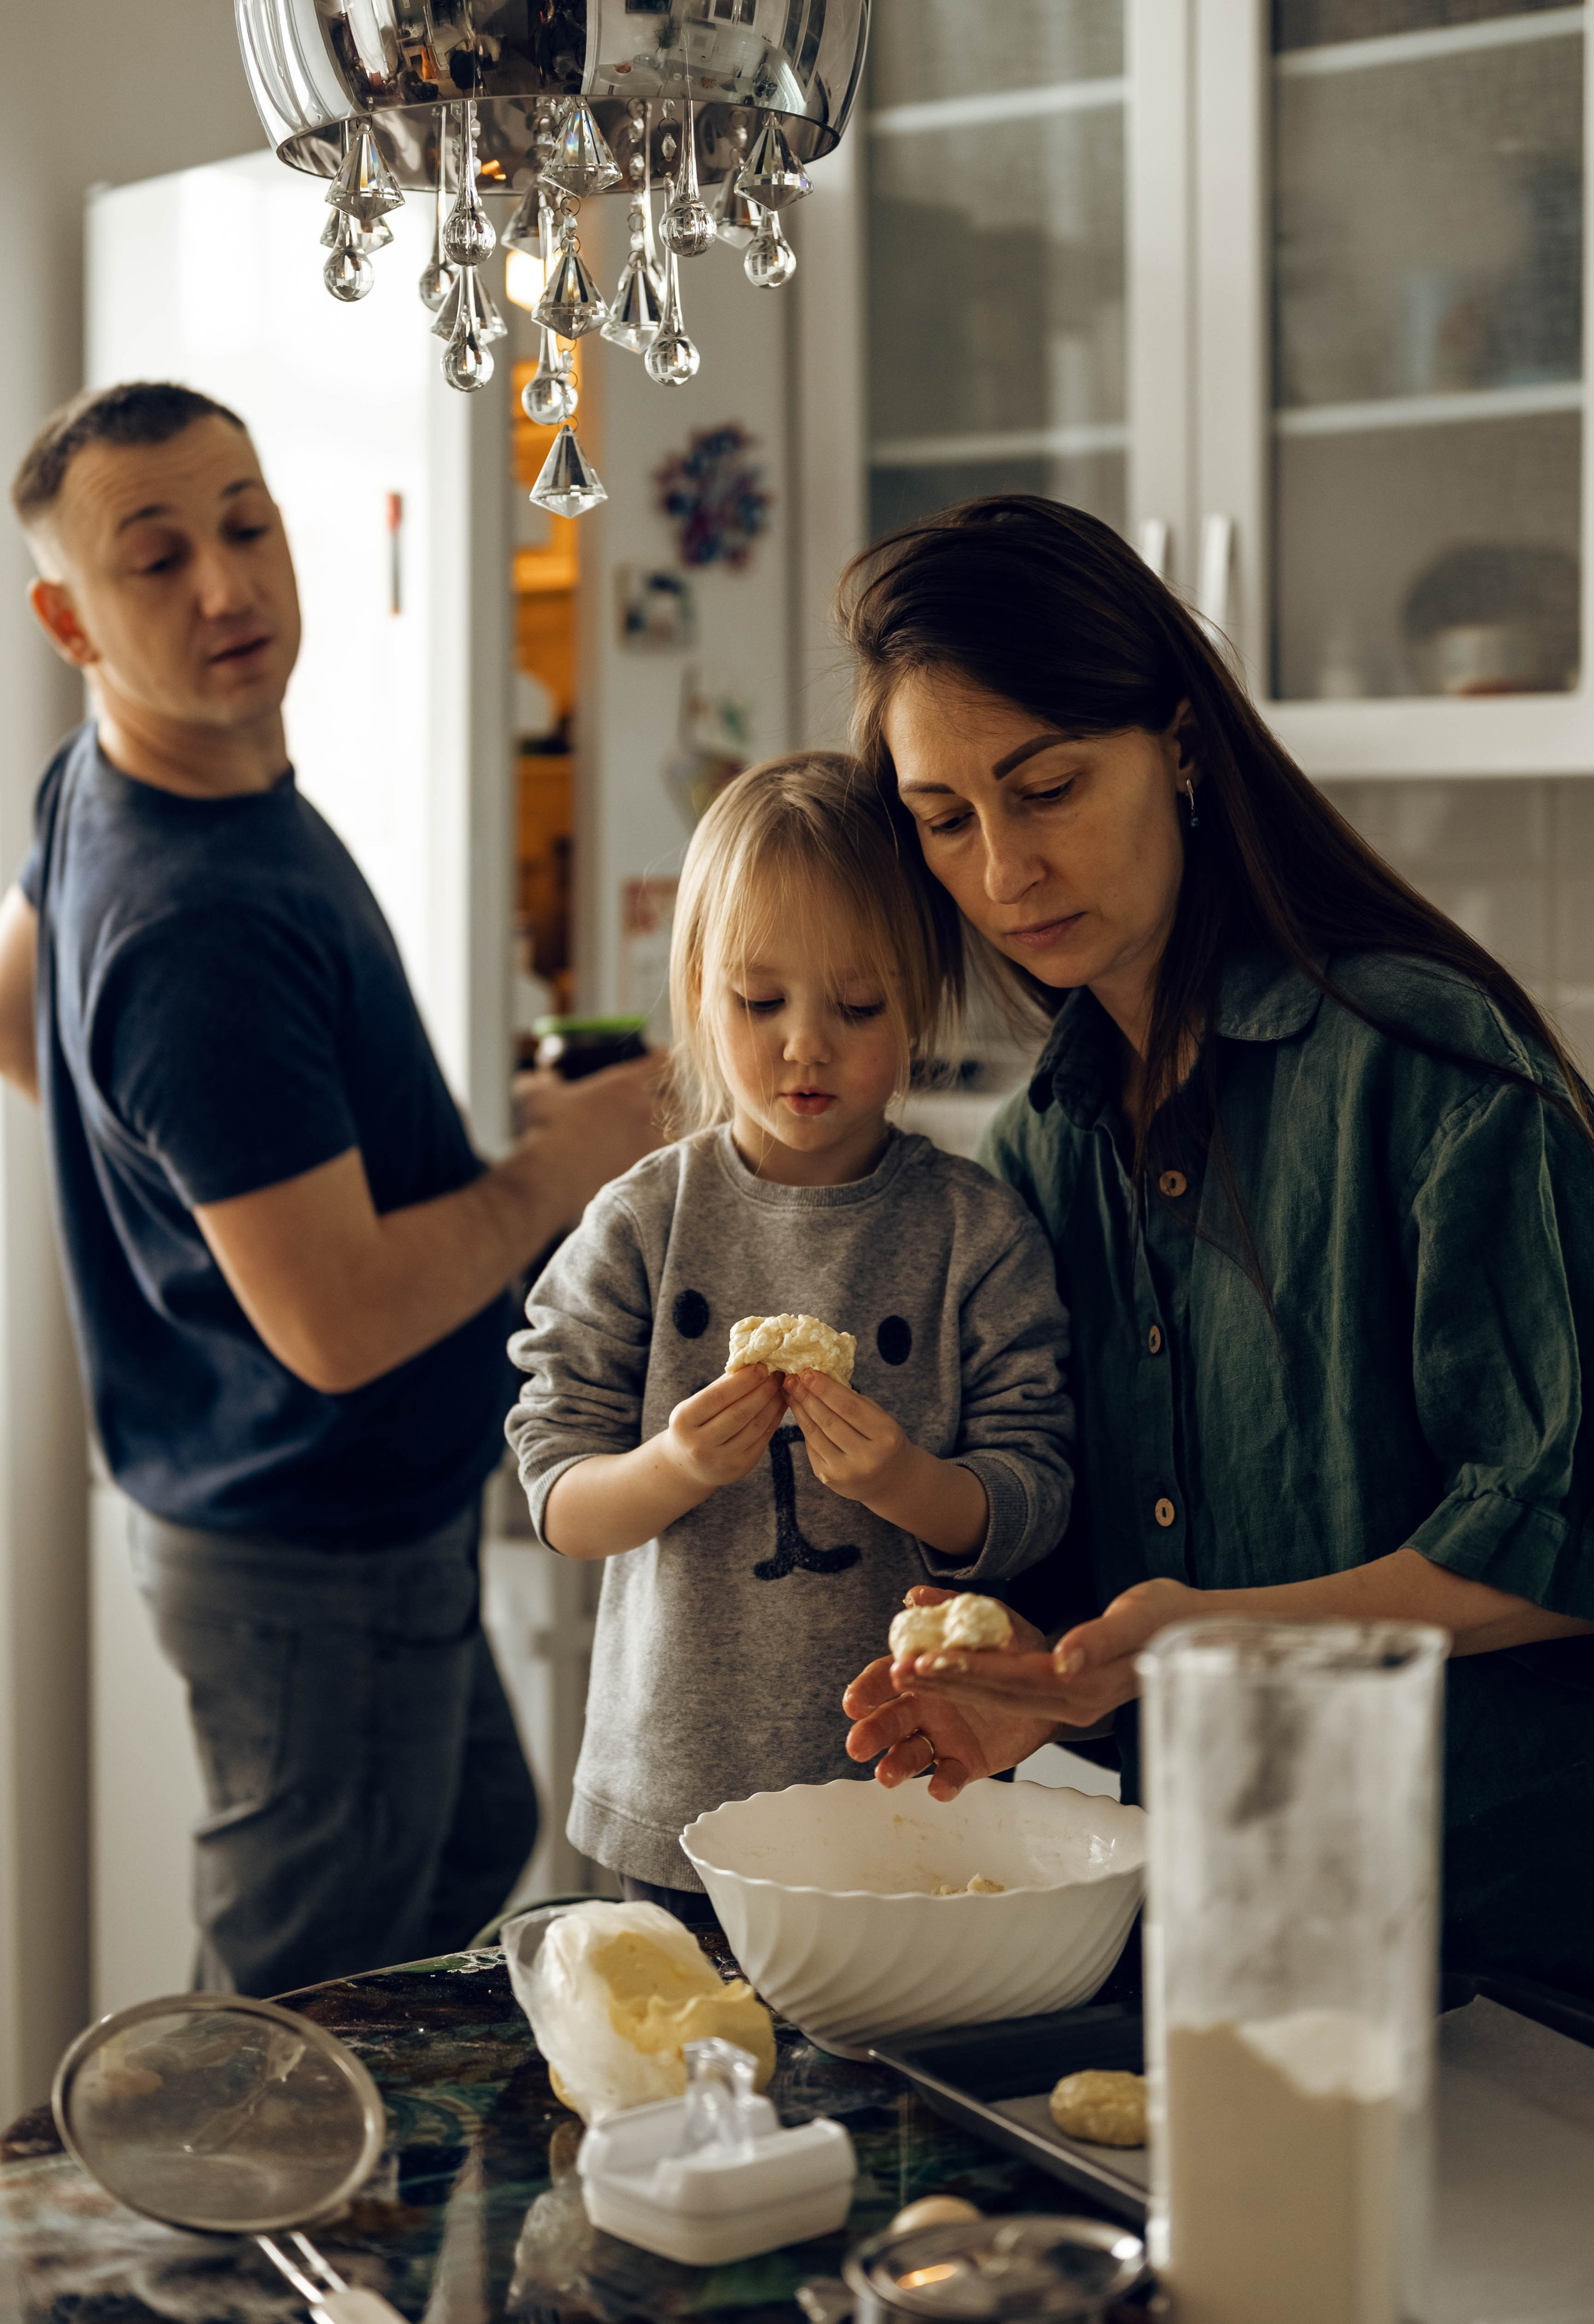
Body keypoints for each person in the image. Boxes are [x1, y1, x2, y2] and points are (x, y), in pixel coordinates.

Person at [836, 494, 1594, 1995]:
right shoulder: (1039, 1150)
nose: (1002, 871)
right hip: (1225, 1935)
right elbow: (1124, 1581)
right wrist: (1041, 1681)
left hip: (1512, 1965)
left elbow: (1564, 1532)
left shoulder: (1426, 1068)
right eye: (945, 820)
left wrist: (1210, 1638)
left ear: (1179, 747)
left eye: (1047, 788)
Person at [0, 381, 658, 1995]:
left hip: (298, 1508)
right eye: (157, 559)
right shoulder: (201, 926)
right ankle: (215, 2189)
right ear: (69, 620)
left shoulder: (105, 782)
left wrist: (180, 1188)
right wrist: (557, 1164)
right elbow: (342, 1325)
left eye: (247, 525)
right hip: (315, 1537)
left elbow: (15, 1000)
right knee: (283, 2019)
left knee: (465, 1842)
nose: (227, 586)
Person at [504, 752, 1075, 1914]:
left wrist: (908, 1482)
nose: (806, 1045)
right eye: (760, 1003)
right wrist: (674, 1466)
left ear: (921, 1003)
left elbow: (1036, 1495)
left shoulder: (976, 1234)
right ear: (698, 993)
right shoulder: (642, 1225)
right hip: (677, 1797)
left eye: (857, 1007)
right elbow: (556, 1494)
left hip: (906, 1796)